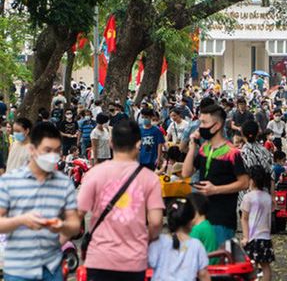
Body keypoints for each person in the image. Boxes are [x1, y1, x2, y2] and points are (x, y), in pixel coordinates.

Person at [78, 119, 164, 281]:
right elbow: (156, 222)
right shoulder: (150, 179)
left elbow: (77, 215)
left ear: (111, 143)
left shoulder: (93, 175)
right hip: (134, 260)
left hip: (99, 259)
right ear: (138, 144)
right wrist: (144, 241)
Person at [0, 122, 80, 281]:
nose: (53, 156)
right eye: (47, 151)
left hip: (51, 268)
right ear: (32, 149)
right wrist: (21, 220)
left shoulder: (64, 184)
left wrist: (62, 226)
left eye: (57, 151)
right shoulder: (9, 181)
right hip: (18, 270)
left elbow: (75, 224)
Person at [182, 104, 248, 246]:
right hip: (201, 218)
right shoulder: (204, 148)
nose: (201, 126)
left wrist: (216, 189)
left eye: (204, 123)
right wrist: (192, 146)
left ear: (217, 125)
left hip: (222, 220)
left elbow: (244, 183)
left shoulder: (232, 152)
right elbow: (186, 172)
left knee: (217, 262)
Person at [148, 199, 210, 281]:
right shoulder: (197, 245)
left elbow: (147, 264)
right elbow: (203, 274)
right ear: (191, 221)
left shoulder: (158, 242)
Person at [241, 166, 275, 281]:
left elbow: (244, 218)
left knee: (251, 265)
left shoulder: (248, 197)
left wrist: (245, 237)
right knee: (266, 266)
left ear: (252, 180)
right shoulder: (267, 197)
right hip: (265, 236)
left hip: (253, 237)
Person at [238, 121, 274, 209]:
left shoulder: (242, 153)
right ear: (257, 133)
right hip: (264, 194)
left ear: (242, 134)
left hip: (246, 196)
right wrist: (272, 195)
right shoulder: (265, 151)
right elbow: (272, 175)